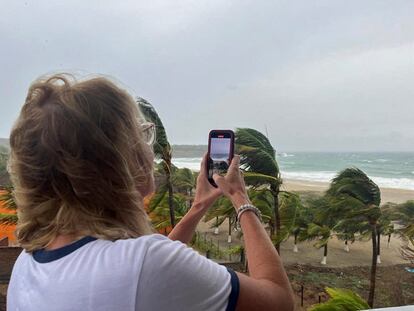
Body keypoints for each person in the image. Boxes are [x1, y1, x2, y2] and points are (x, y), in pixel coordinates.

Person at [7, 74, 294, 311]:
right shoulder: (145, 264)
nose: (149, 148)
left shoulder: (28, 265)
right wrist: (241, 199)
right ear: (115, 159)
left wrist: (197, 208)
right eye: (143, 134)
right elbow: (278, 301)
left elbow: (143, 275)